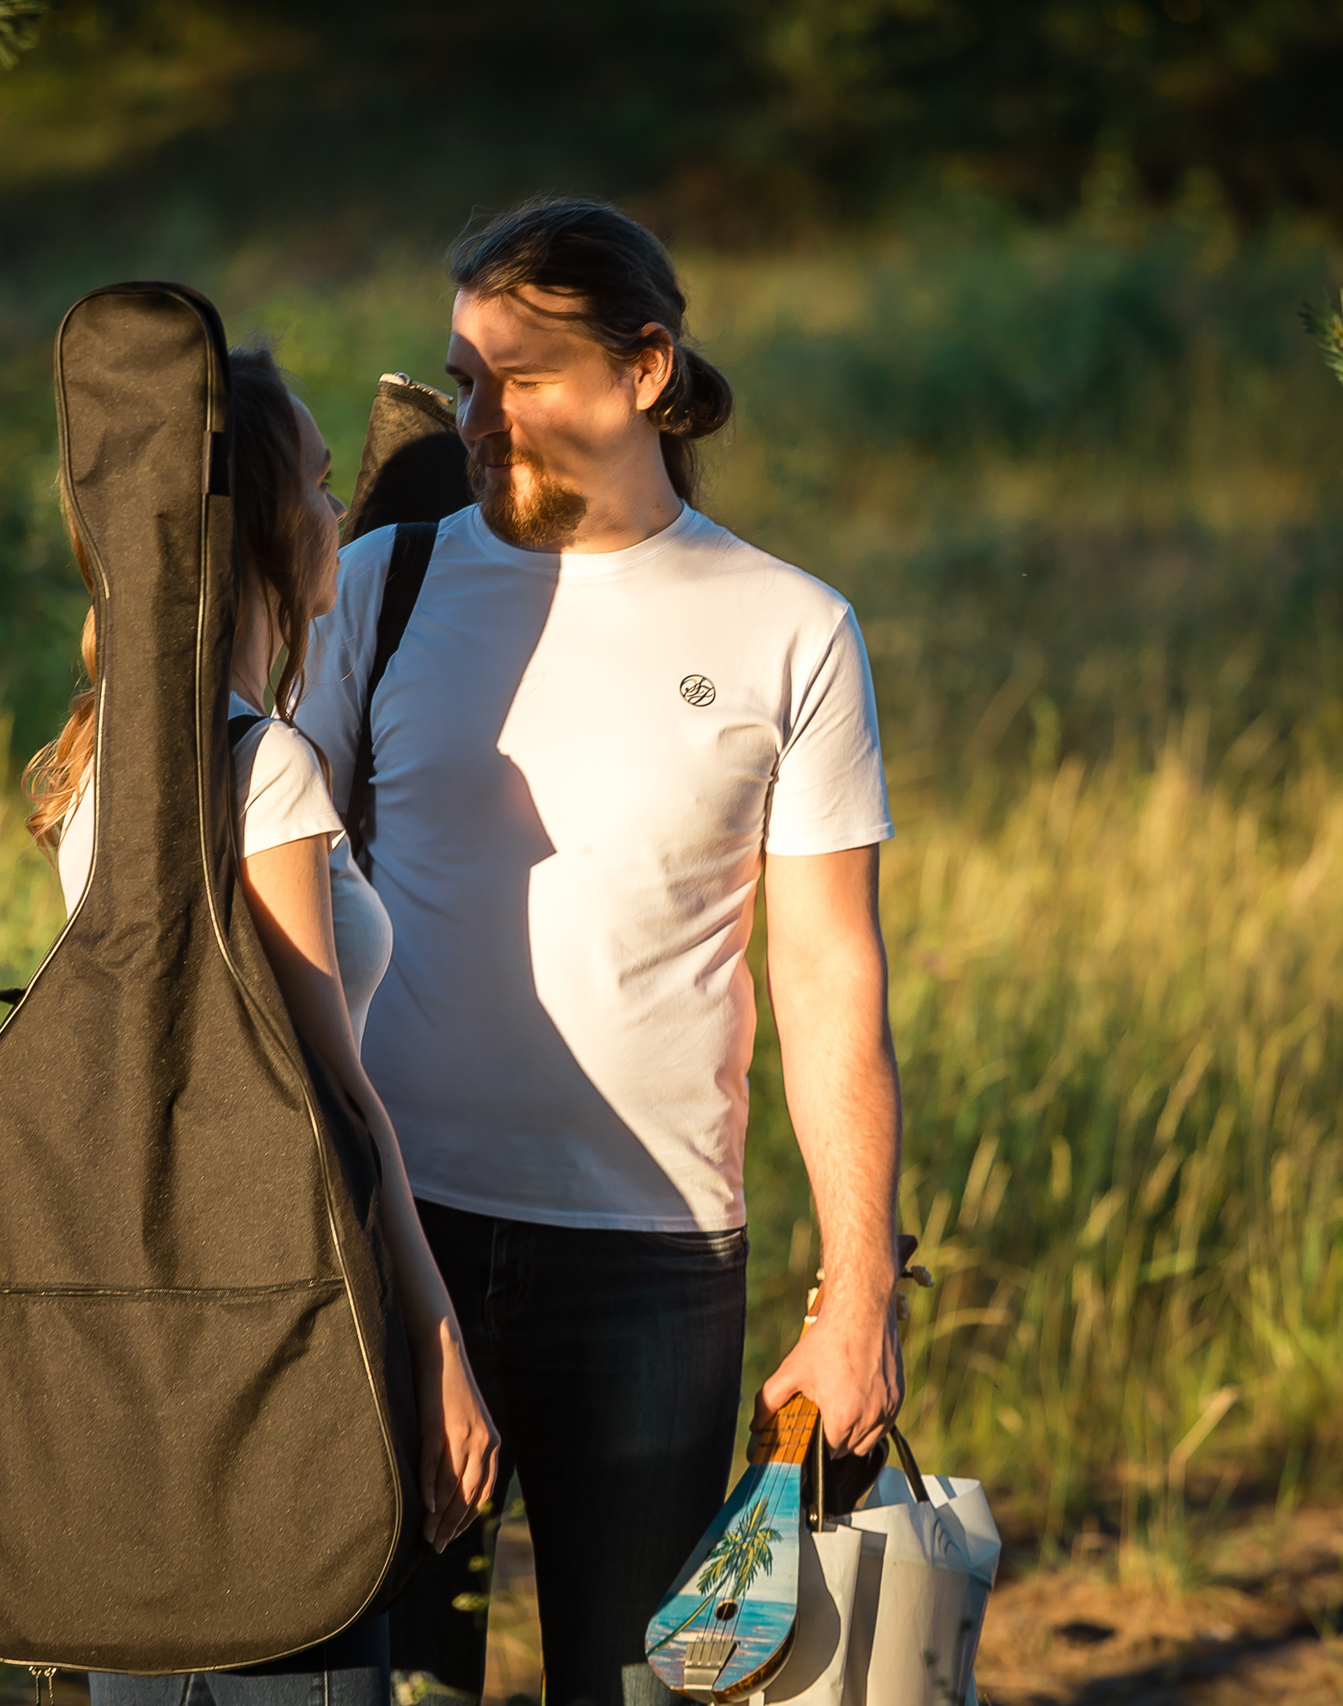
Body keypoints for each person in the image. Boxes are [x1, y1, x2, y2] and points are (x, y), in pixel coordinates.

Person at [296, 199, 903, 1706]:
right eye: (464, 374)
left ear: (646, 368)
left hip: (649, 1265)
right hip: (397, 1232)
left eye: (526, 374)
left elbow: (830, 980)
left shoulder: (792, 628)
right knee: (380, 1684)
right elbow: (273, 881)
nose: (481, 414)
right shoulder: (388, 584)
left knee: (640, 1689)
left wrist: (861, 1297)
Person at [25, 342, 502, 1706]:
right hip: (285, 1333)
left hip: (141, 1323)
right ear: (263, 526)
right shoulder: (263, 766)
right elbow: (334, 1099)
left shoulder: (109, 752)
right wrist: (437, 1341)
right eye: (317, 481)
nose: (338, 510)